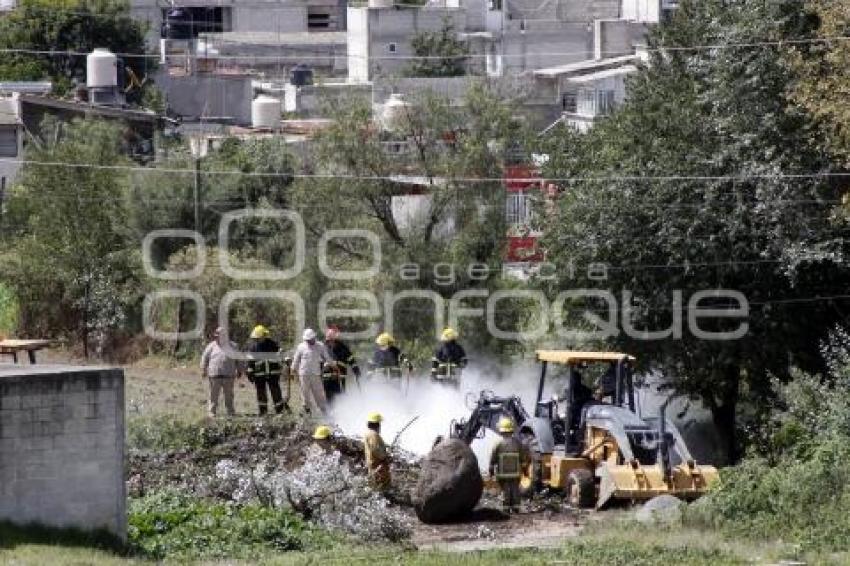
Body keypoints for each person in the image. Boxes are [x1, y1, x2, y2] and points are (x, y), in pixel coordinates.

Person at [200, 327, 244, 418]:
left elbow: (239, 359)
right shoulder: (211, 346)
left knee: (229, 395)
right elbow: (204, 357)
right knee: (213, 395)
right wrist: (203, 369)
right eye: (216, 336)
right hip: (214, 375)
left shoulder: (233, 346)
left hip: (229, 375)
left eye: (219, 336)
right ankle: (212, 412)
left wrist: (240, 370)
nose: (217, 338)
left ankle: (230, 411)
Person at [245, 325, 288, 415]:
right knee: (261, 394)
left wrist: (284, 357)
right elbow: (250, 360)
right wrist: (249, 371)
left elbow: (281, 354)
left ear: (263, 336)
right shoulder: (253, 347)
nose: (256, 339)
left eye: (258, 338)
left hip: (273, 373)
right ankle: (263, 412)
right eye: (255, 338)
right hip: (259, 374)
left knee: (276, 393)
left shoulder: (273, 344)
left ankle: (279, 411)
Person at [489, 417, 528, 514]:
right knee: (515, 490)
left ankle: (506, 509)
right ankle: (516, 508)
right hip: (515, 473)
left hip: (503, 473)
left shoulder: (498, 443)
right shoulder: (518, 443)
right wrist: (524, 470)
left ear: (501, 431)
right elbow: (523, 458)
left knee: (506, 491)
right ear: (511, 430)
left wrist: (491, 469)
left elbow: (493, 458)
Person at [291, 328, 331, 415]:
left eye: (311, 339)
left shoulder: (320, 346)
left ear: (314, 337)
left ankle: (324, 411)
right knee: (305, 394)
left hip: (316, 374)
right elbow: (296, 359)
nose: (309, 341)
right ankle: (307, 411)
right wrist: (293, 369)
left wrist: (327, 364)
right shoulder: (301, 346)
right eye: (307, 340)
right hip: (303, 374)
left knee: (319, 394)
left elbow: (327, 358)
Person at [322, 325, 361, 401]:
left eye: (331, 340)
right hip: (327, 376)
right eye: (329, 340)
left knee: (340, 395)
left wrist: (356, 369)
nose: (330, 342)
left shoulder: (343, 347)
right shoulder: (323, 347)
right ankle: (330, 412)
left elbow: (351, 359)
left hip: (340, 375)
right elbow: (319, 361)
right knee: (329, 396)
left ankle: (341, 410)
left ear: (335, 338)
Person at [364, 412, 391, 492]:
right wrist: (385, 456)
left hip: (374, 467)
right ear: (377, 424)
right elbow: (377, 450)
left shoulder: (368, 434)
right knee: (381, 490)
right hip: (378, 468)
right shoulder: (373, 435)